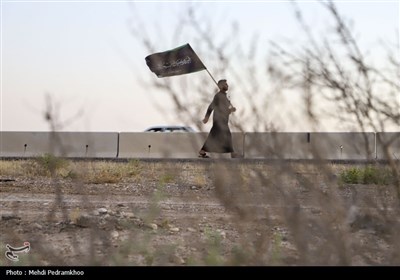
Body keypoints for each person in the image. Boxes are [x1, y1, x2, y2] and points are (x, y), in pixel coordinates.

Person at [199, 79, 238, 158]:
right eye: (225, 84)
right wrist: (206, 117)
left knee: (215, 136)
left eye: (227, 84)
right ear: (220, 86)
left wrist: (231, 110)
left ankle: (202, 151)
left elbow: (225, 109)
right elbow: (211, 106)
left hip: (223, 119)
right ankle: (232, 153)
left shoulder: (224, 96)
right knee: (227, 135)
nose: (227, 86)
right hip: (219, 119)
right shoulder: (218, 96)